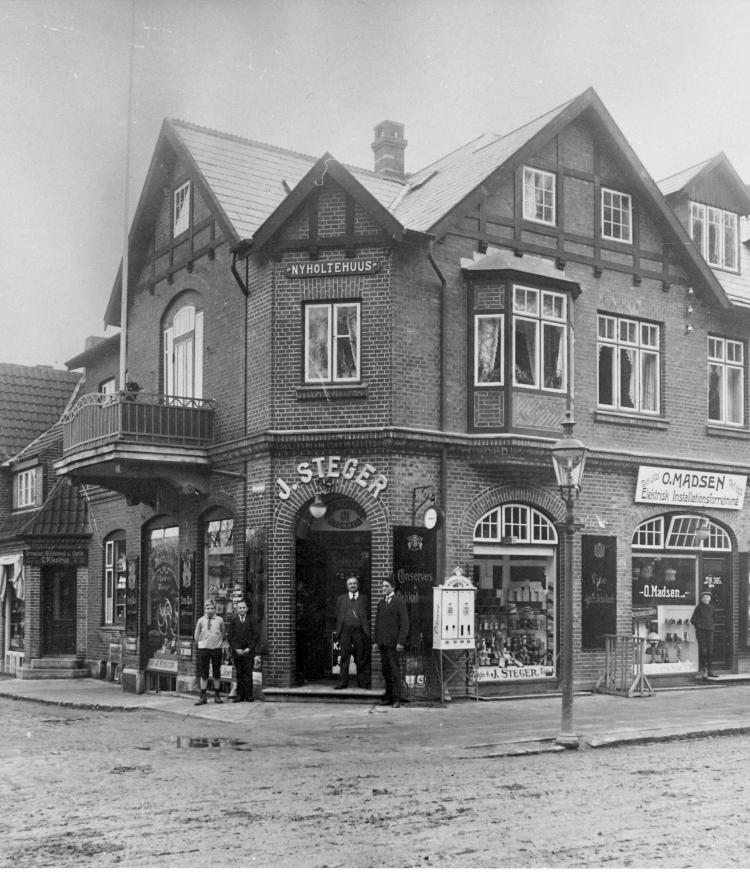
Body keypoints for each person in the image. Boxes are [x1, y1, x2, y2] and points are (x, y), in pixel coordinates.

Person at [372, 577, 409, 707]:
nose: (384, 588)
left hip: (394, 644)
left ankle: (396, 699)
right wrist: (375, 641)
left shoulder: (399, 602)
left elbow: (404, 624)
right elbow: (377, 624)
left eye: (386, 586)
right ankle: (388, 697)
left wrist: (401, 642)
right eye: (383, 586)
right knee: (386, 671)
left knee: (394, 671)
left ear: (393, 587)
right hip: (383, 643)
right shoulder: (381, 603)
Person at [333, 576, 371, 689]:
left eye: (354, 583)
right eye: (350, 584)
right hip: (345, 631)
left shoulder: (364, 598)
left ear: (358, 585)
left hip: (359, 631)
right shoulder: (341, 599)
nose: (352, 585)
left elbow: (368, 614)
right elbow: (337, 614)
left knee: (360, 657)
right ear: (347, 586)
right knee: (344, 657)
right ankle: (342, 682)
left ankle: (362, 682)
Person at [194, 600, 226, 705]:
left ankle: (217, 695)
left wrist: (218, 642)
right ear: (205, 609)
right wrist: (201, 643)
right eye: (208, 608)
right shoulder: (201, 620)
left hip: (216, 648)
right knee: (204, 673)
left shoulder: (220, 620)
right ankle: (203, 696)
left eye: (212, 608)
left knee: (216, 672)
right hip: (204, 649)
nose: (210, 610)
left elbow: (223, 632)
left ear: (215, 609)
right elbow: (196, 634)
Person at [226, 601, 259, 703]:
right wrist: (236, 649)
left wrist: (249, 648)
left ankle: (249, 695)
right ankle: (240, 695)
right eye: (240, 608)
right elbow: (230, 637)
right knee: (239, 674)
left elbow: (255, 636)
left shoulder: (252, 620)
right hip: (238, 652)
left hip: (248, 652)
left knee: (248, 674)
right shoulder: (234, 621)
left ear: (247, 609)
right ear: (237, 610)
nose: (242, 609)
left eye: (243, 607)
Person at [691, 590, 717, 678]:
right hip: (701, 631)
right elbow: (693, 620)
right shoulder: (698, 608)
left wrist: (711, 626)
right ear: (701, 599)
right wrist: (699, 626)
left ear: (710, 599)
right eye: (704, 597)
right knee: (703, 650)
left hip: (710, 631)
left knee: (710, 650)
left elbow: (714, 618)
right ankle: (703, 670)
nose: (706, 599)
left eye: (707, 597)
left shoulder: (712, 607)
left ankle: (710, 671)